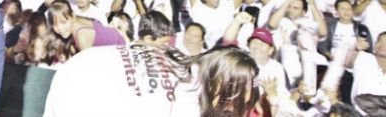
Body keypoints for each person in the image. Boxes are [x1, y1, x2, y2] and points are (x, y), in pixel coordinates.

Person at [43, 45, 260, 117]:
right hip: (82, 96)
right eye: (236, 102)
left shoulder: (175, 53)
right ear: (222, 87)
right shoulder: (187, 107)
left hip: (75, 70)